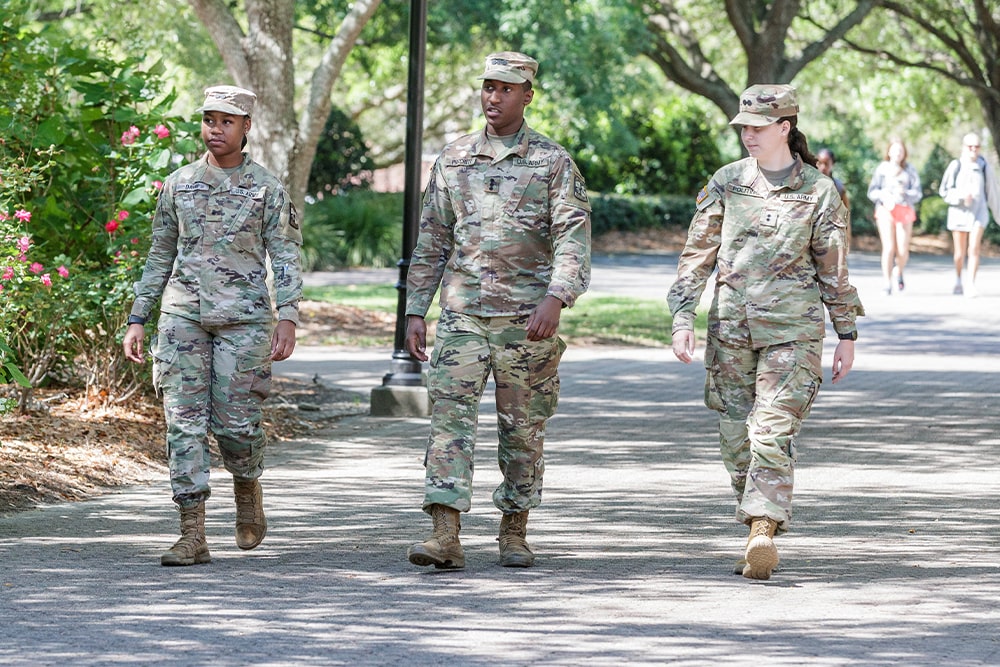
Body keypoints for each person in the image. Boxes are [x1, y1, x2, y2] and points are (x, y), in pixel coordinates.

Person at [667, 84, 864, 581]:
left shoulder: (818, 191)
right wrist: (682, 317)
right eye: (743, 128)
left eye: (757, 127)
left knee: (770, 431)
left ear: (785, 128)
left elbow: (833, 270)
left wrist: (846, 333)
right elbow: (697, 256)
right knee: (735, 436)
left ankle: (761, 528)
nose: (748, 135)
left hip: (792, 333)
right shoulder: (727, 182)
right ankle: (759, 521)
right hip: (731, 330)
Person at [404, 51, 591, 570]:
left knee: (523, 430)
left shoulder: (552, 162)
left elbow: (573, 239)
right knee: (448, 423)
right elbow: (433, 238)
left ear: (528, 94)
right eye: (488, 86)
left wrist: (557, 298)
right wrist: (415, 308)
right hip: (462, 314)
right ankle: (445, 533)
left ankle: (515, 530)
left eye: (506, 89)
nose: (493, 97)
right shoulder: (455, 158)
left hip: (525, 323)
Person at [122, 85, 303, 566]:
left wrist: (288, 316)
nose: (215, 129)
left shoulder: (266, 188)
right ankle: (191, 532)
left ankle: (247, 485)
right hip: (183, 315)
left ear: (246, 127)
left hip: (244, 320)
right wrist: (139, 316)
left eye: (227, 121)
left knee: (236, 427)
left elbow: (285, 256)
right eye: (209, 119)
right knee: (182, 424)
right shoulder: (178, 183)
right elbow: (159, 254)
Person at [938, 132, 1000, 296]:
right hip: (959, 213)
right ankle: (958, 278)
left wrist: (998, 215)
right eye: (970, 146)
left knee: (974, 248)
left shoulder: (984, 166)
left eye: (977, 146)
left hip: (979, 213)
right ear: (964, 147)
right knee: (960, 253)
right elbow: (944, 191)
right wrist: (960, 197)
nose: (973, 149)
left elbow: (992, 192)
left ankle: (971, 284)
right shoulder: (955, 165)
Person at [867, 139, 922, 295]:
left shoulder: (910, 170)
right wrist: (884, 196)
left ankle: (899, 271)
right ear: (889, 151)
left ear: (904, 153)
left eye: (901, 150)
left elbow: (917, 193)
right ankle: (887, 281)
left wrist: (905, 193)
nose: (898, 153)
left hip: (904, 209)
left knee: (903, 249)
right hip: (886, 209)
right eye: (895, 150)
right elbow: (872, 191)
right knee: (889, 247)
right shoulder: (882, 169)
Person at [816, 148, 851, 250]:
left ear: (832, 164)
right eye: (820, 163)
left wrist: (847, 237)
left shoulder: (839, 187)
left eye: (826, 164)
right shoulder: (808, 184)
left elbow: (846, 215)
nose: (823, 167)